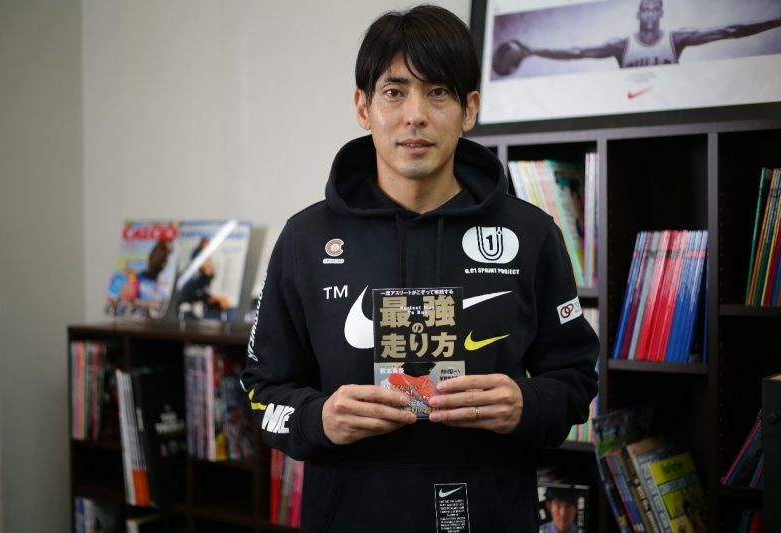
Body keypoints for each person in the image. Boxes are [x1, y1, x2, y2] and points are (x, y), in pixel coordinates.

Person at [240, 5, 599, 532]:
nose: (415, 115)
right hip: (350, 516)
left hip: (490, 516)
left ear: (469, 109)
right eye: (394, 91)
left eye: (438, 92)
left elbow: (576, 379)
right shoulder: (305, 240)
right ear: (363, 107)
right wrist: (319, 418)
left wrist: (526, 403)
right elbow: (261, 390)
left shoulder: (531, 234)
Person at [493, 0, 781, 74]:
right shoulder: (623, 45)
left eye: (655, 8)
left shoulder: (676, 39)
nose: (650, 13)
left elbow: (730, 32)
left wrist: (775, 21)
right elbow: (577, 52)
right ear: (639, 13)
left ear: (661, 13)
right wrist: (530, 51)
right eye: (646, 8)